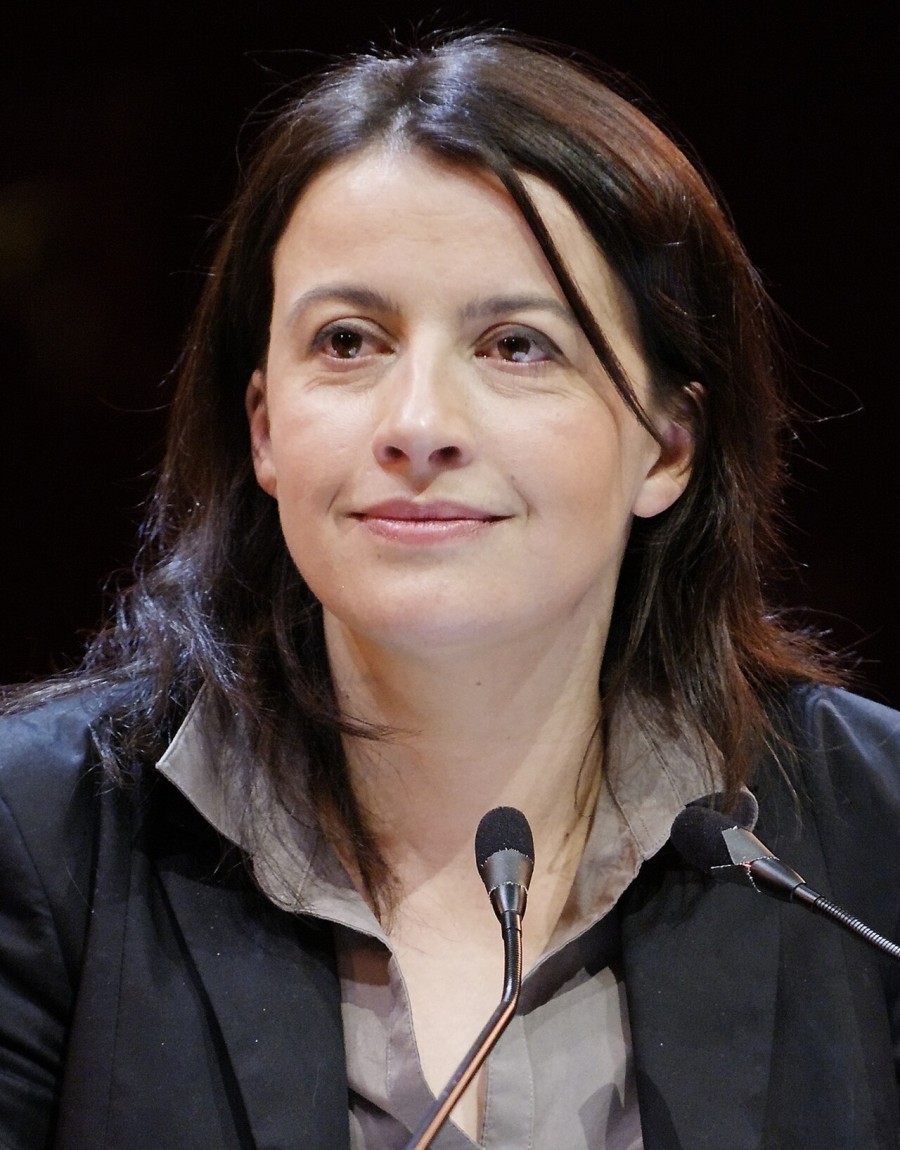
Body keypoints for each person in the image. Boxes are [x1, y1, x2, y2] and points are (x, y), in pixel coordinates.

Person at [1, 30, 898, 1150]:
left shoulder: (872, 837)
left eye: (517, 346)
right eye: (348, 341)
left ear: (669, 446)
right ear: (264, 428)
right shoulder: (34, 837)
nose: (419, 424)